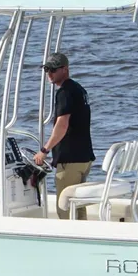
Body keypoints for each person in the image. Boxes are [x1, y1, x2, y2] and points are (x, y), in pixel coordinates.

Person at [33, 52, 95, 220]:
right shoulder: (79, 89)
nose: (49, 74)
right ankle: (84, 239)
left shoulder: (65, 92)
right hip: (84, 158)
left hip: (71, 160)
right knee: (78, 206)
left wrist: (44, 150)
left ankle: (73, 242)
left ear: (65, 70)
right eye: (46, 69)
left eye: (53, 70)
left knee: (65, 208)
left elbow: (62, 125)